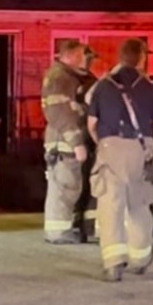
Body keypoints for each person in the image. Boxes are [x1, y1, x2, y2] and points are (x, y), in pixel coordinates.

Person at [84, 38, 153, 281]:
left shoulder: (102, 86)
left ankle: (112, 264)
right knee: (139, 205)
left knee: (110, 206)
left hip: (110, 148)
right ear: (142, 58)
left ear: (119, 57)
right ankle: (140, 258)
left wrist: (102, 144)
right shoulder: (149, 88)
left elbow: (92, 124)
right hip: (142, 150)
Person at [39, 39, 96, 245]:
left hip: (77, 141)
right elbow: (59, 112)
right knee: (65, 186)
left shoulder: (74, 78)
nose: (88, 61)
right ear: (70, 56)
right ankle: (58, 232)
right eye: (83, 56)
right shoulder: (59, 77)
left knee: (77, 186)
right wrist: (76, 142)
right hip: (65, 142)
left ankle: (78, 228)